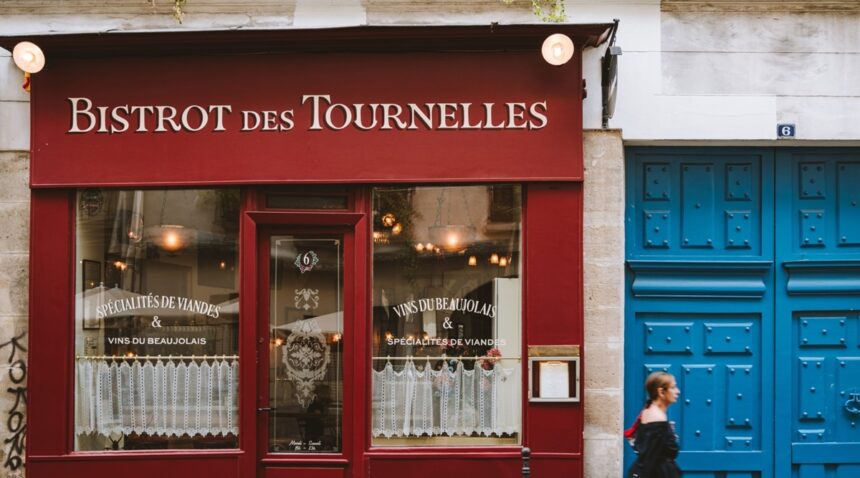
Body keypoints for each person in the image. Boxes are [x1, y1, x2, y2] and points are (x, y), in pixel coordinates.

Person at [626, 371, 682, 478]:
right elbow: (649, 459)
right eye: (673, 387)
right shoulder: (656, 418)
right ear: (661, 392)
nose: (677, 391)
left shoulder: (650, 412)